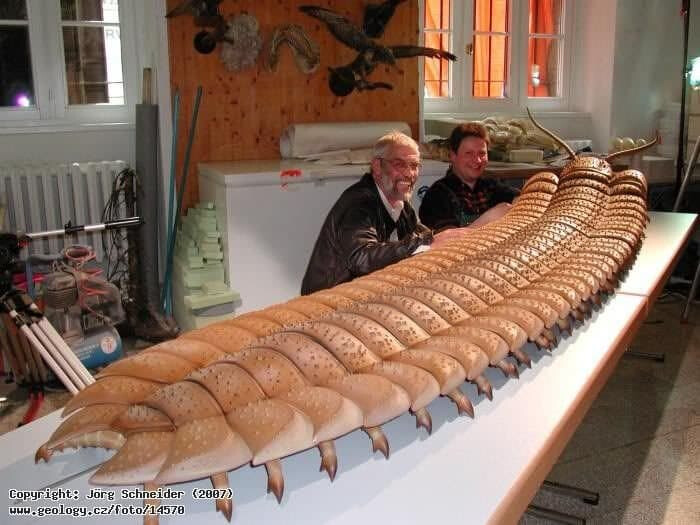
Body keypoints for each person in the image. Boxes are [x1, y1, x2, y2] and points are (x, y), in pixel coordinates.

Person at [301, 131, 436, 295]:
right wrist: (422, 242)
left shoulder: (402, 206)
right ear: (377, 166)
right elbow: (361, 258)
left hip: (362, 296)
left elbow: (427, 238)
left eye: (414, 166)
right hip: (326, 302)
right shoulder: (358, 203)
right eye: (399, 164)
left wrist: (440, 238)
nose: (409, 174)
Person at [419, 122, 519, 231]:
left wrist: (519, 202)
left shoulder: (491, 186)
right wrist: (489, 219)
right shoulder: (436, 196)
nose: (477, 160)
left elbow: (522, 199)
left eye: (482, 153)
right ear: (453, 155)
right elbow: (447, 238)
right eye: (469, 153)